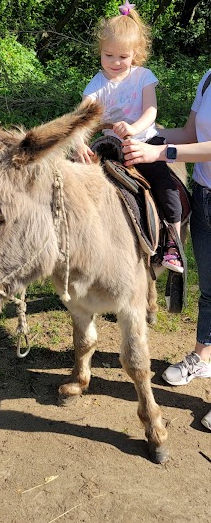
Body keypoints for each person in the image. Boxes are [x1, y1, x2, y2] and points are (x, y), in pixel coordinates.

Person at [122, 69, 211, 430]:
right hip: (205, 195)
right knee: (209, 291)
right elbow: (192, 133)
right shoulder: (207, 77)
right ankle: (204, 357)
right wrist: (136, 134)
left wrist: (160, 150)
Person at [75, 0, 183, 272]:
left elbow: (151, 110)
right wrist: (78, 142)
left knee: (164, 185)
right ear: (100, 51)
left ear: (135, 54)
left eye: (122, 57)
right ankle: (77, 246)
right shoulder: (96, 85)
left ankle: (172, 243)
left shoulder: (143, 77)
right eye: (108, 55)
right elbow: (81, 120)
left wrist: (134, 129)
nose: (114, 62)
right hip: (110, 147)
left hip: (145, 142)